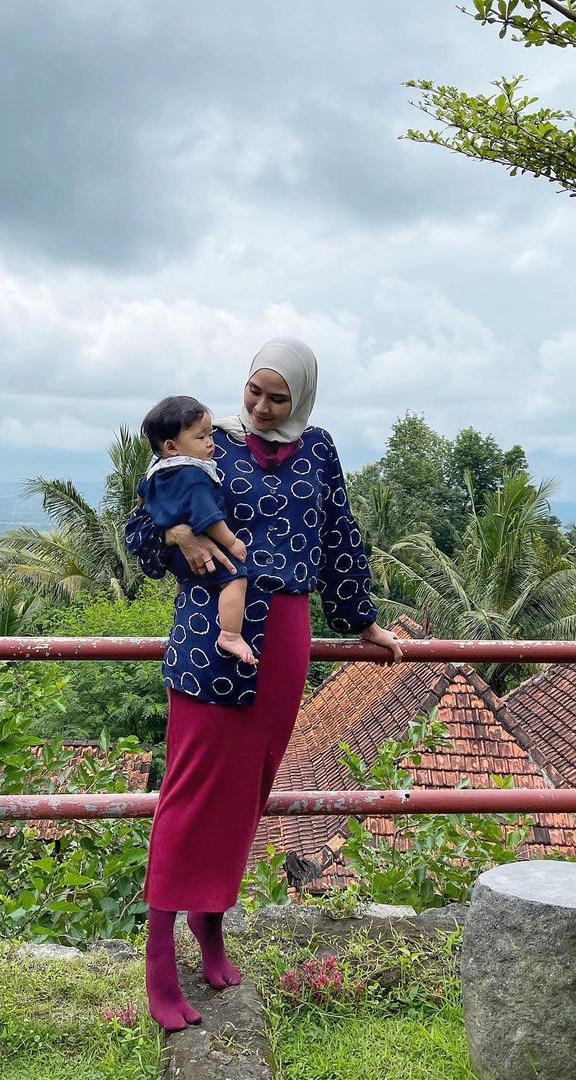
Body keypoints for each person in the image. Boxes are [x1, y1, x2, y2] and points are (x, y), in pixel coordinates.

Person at [125, 336, 404, 1030]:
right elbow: (136, 530)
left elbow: (340, 535)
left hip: (285, 636)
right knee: (191, 792)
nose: (260, 407)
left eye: (278, 397)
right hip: (207, 634)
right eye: (254, 390)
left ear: (302, 397)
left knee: (249, 790)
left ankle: (209, 924)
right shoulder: (209, 442)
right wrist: (175, 539)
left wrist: (363, 621)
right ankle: (160, 956)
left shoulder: (319, 449)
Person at [138, 395, 256, 665]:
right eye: (201, 437)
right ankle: (230, 634)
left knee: (189, 575)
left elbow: (142, 499)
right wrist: (232, 541)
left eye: (210, 434)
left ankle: (181, 597)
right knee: (236, 578)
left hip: (176, 556)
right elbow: (209, 517)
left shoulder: (158, 470)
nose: (210, 442)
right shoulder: (194, 476)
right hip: (200, 551)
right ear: (171, 446)